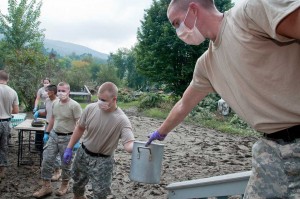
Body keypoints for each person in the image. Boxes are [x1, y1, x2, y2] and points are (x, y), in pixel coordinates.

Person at [146, 0, 300, 198]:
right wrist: (160, 133)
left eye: (177, 23)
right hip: (271, 149)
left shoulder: (249, 14)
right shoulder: (206, 65)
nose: (178, 32)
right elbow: (184, 104)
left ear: (193, 9)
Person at [63, 82, 135, 199]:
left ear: (114, 99)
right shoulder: (91, 108)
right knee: (77, 185)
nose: (100, 102)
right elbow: (80, 127)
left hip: (103, 161)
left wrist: (139, 147)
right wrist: (69, 147)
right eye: (98, 98)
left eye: (103, 100)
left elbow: (128, 143)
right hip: (83, 154)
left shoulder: (122, 120)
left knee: (101, 193)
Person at [33, 82, 82, 198]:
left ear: (69, 92)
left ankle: (65, 184)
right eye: (59, 90)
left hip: (67, 137)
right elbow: (53, 118)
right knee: (46, 160)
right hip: (54, 135)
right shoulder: (55, 103)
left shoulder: (74, 105)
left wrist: (76, 141)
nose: (61, 93)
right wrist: (46, 132)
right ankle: (46, 186)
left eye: (63, 91)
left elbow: (79, 124)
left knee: (66, 164)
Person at [34, 84, 61, 181]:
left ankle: (58, 171)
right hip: (47, 125)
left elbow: (56, 117)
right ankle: (47, 169)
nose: (45, 93)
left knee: (55, 150)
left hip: (55, 127)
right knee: (46, 149)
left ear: (52, 92)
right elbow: (46, 113)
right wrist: (38, 112)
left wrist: (50, 130)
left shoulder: (58, 102)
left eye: (47, 91)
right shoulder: (47, 100)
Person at [0, 70, 19, 179]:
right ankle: (1, 171)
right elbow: (16, 111)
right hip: (6, 123)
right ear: (7, 79)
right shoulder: (13, 91)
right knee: (3, 147)